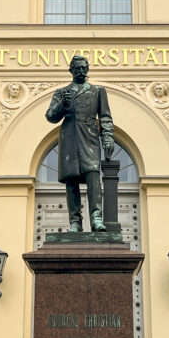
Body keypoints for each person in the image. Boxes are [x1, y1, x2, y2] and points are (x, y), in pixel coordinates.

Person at [45, 54, 114, 232]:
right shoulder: (61, 93)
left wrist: (107, 137)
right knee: (71, 181)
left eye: (84, 68)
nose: (81, 71)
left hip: (90, 138)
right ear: (71, 71)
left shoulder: (98, 91)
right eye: (77, 68)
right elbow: (51, 116)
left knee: (93, 177)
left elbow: (105, 117)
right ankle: (75, 222)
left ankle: (96, 218)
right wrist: (63, 104)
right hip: (69, 139)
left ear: (87, 69)